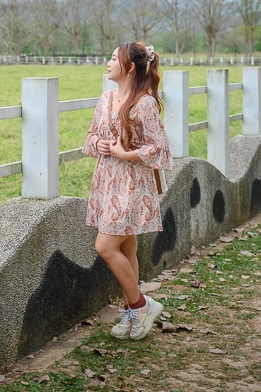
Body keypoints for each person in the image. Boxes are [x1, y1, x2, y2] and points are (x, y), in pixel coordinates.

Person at [82, 41, 173, 340]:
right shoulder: (106, 99)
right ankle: (131, 314)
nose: (107, 63)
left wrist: (125, 155)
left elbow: (159, 149)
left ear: (130, 67)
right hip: (107, 181)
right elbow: (91, 135)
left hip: (132, 185)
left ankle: (141, 305)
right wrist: (100, 144)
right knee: (126, 247)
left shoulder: (144, 104)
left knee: (105, 247)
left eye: (113, 59)